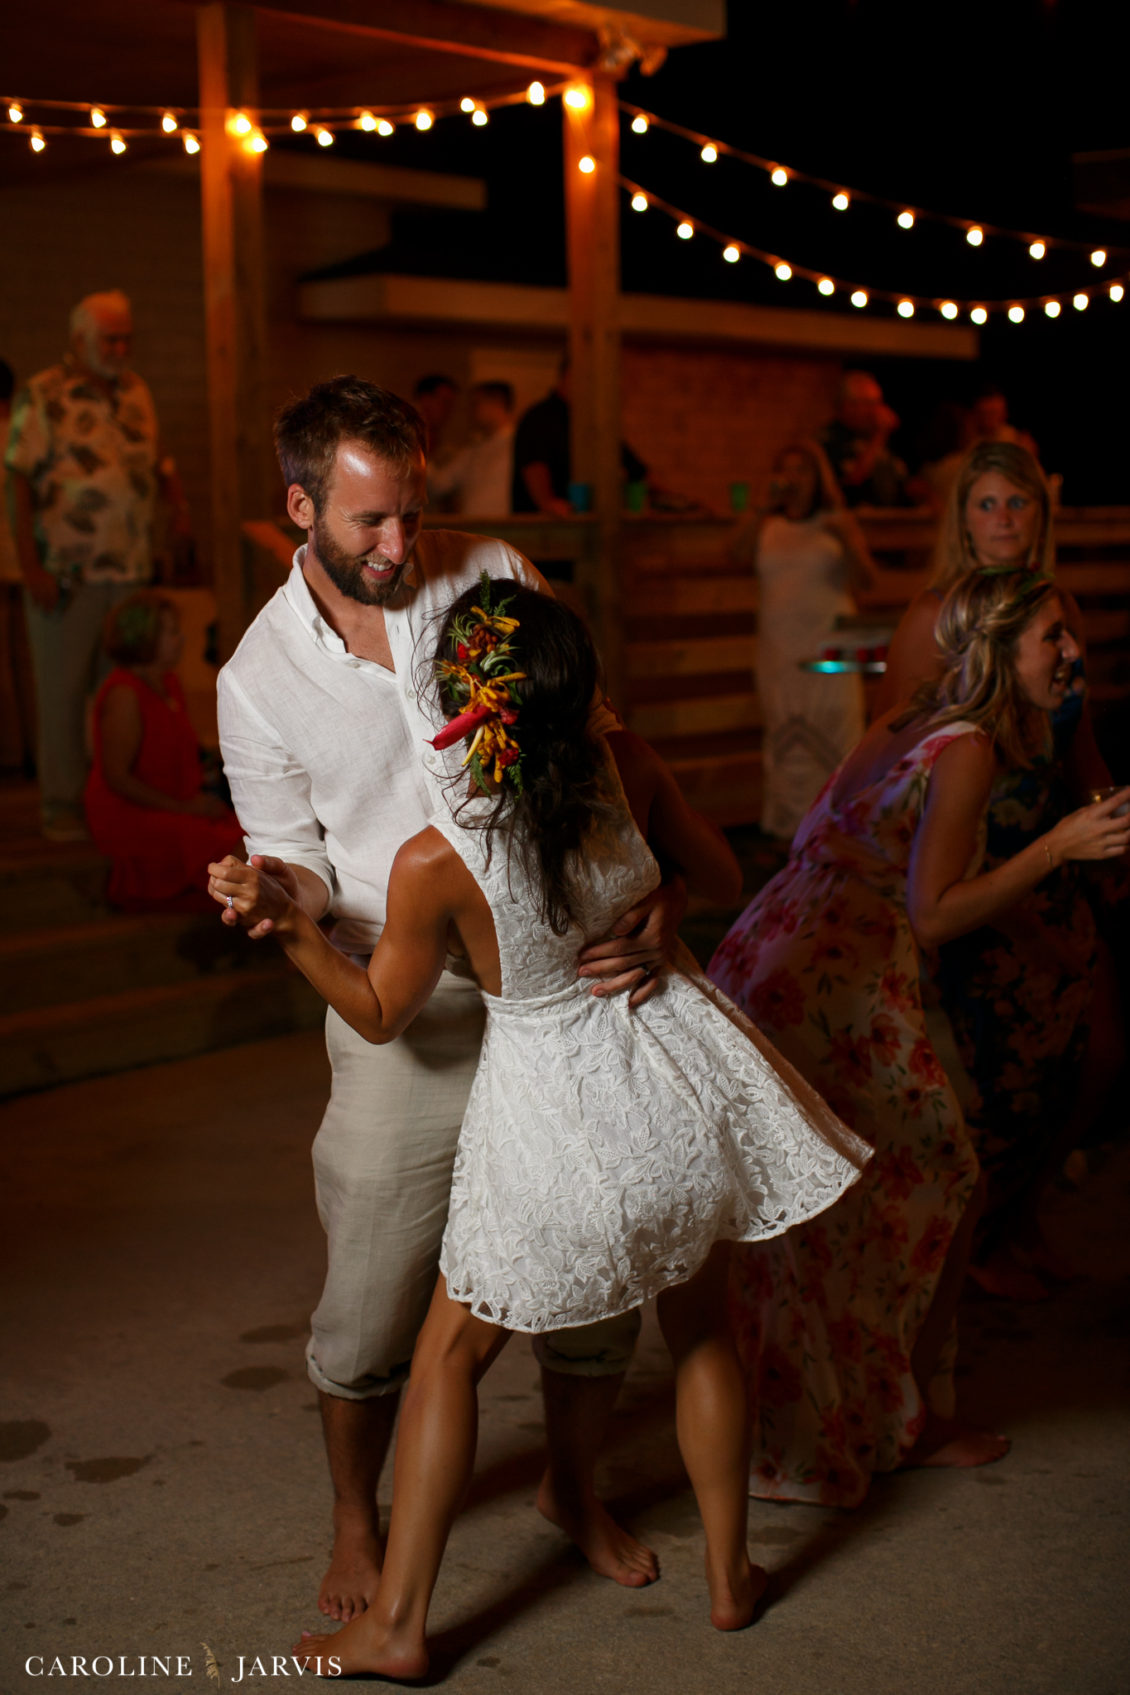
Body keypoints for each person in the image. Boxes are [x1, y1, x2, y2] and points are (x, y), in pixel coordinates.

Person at [209, 582, 868, 1677]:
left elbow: (379, 1013)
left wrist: (290, 928)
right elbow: (722, 872)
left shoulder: (437, 860)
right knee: (702, 1331)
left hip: (558, 1110)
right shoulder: (626, 768)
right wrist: (664, 905)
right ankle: (728, 1580)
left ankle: (400, 1626)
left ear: (459, 707)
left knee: (445, 1360)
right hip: (679, 1091)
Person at [215, 376, 686, 1623]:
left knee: (594, 1246)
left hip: (561, 978)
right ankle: (354, 1519)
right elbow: (298, 858)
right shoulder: (254, 678)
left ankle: (571, 1487)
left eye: (410, 514)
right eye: (367, 521)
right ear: (300, 507)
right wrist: (272, 892)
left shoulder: (496, 572)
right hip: (402, 997)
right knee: (374, 1288)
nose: (397, 545)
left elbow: (594, 743)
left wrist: (661, 898)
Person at [707, 568, 1130, 1508]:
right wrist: (1060, 846)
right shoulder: (968, 747)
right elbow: (933, 912)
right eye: (1053, 637)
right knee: (940, 1173)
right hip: (834, 974)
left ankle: (826, 1420)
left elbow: (834, 838)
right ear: (1000, 649)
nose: (1073, 652)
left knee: (831, 1195)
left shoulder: (914, 714)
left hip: (774, 946)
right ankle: (893, 1424)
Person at [877, 440, 1117, 1298]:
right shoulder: (935, 616)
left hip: (1061, 849)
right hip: (973, 861)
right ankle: (972, 1250)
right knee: (1003, 1078)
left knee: (1098, 1055)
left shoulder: (1057, 607)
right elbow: (891, 756)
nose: (1005, 518)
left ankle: (1019, 1222)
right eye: (988, 503)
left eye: (1019, 502)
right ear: (962, 518)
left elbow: (1078, 739)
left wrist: (1108, 818)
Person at [4, 291, 191, 840]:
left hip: (129, 571)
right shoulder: (43, 393)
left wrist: (177, 508)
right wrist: (31, 567)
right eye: (110, 339)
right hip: (66, 573)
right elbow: (16, 479)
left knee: (124, 694)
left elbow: (159, 460)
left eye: (126, 338)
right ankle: (61, 806)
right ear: (79, 340)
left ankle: (117, 803)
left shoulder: (137, 391)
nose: (121, 348)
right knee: (62, 694)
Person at [732, 440, 877, 842]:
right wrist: (760, 507)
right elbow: (734, 553)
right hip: (780, 650)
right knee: (786, 741)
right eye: (786, 469)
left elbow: (867, 581)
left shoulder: (836, 523)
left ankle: (841, 834)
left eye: (803, 470)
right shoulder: (767, 525)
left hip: (829, 650)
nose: (794, 478)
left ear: (818, 477)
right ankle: (790, 838)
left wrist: (848, 541)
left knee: (838, 733)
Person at [82, 592, 241, 907]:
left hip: (172, 802)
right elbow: (117, 778)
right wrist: (184, 808)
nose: (181, 639)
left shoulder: (168, 683)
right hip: (131, 811)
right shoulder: (125, 694)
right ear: (143, 638)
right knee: (218, 843)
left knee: (247, 828)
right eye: (171, 632)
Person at [511, 360, 647, 519]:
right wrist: (547, 502)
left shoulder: (593, 423)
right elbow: (534, 465)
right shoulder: (540, 417)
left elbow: (633, 466)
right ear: (569, 376)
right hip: (545, 523)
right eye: (590, 379)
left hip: (585, 520)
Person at [818, 370, 911, 508]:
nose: (877, 410)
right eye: (870, 403)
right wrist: (880, 435)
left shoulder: (877, 436)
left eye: (878, 403)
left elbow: (902, 479)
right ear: (848, 405)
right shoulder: (830, 439)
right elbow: (853, 481)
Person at [426, 380, 515, 516]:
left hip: (505, 525)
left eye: (476, 404)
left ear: (497, 402)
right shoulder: (473, 450)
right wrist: (420, 452)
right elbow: (438, 484)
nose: (472, 411)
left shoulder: (517, 445)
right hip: (472, 525)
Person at [411, 374, 459, 461]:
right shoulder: (403, 440)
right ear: (425, 400)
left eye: (451, 405)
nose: (448, 410)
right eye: (445, 402)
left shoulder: (447, 452)